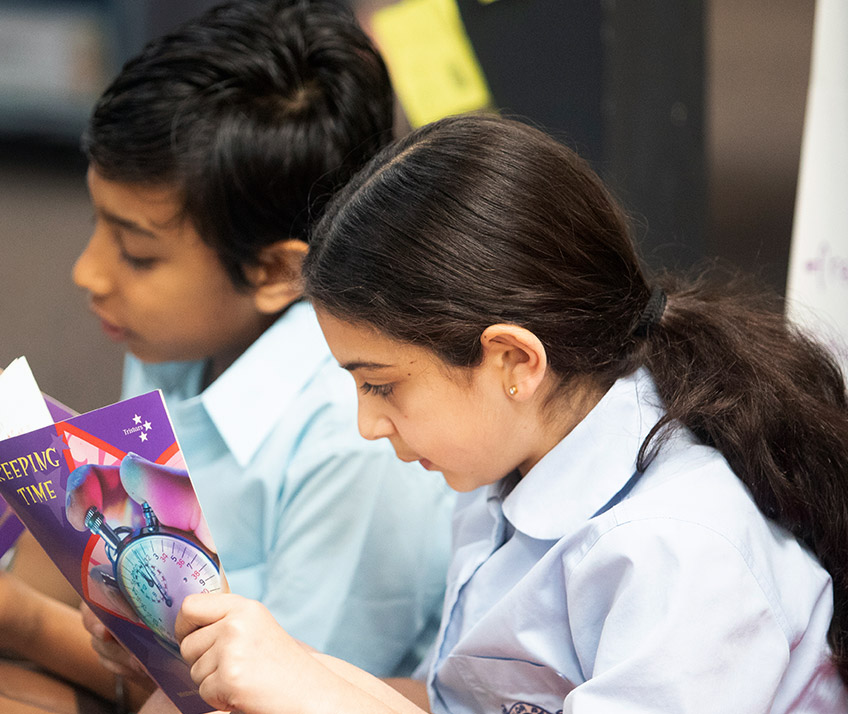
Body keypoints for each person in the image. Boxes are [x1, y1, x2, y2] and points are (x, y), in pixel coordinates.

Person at [0, 2, 456, 713]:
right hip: (153, 654)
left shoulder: (352, 443)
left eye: (137, 252)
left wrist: (20, 627)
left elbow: (279, 695)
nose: (89, 272)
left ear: (274, 271)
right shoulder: (181, 339)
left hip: (257, 698)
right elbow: (94, 549)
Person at [170, 113, 848, 713]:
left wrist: (314, 693)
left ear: (515, 362)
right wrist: (277, 676)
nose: (367, 426)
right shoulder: (506, 461)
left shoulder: (678, 549)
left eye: (381, 386)